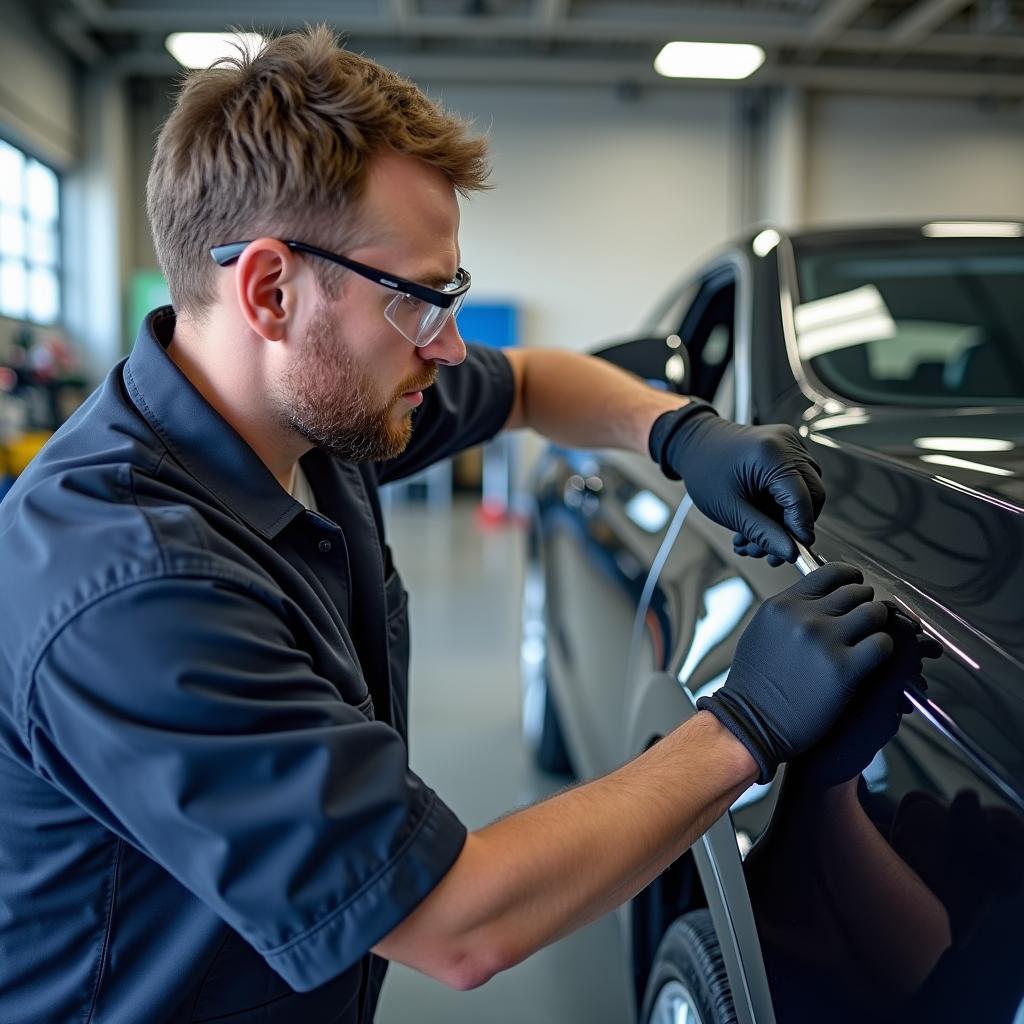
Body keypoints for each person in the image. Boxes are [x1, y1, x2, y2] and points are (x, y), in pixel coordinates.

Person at [0, 26, 902, 1024]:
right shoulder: (131, 586)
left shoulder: (306, 412)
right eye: (423, 302)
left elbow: (529, 383)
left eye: (454, 296)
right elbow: (456, 921)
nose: (450, 344)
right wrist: (746, 723)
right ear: (269, 290)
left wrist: (682, 432)